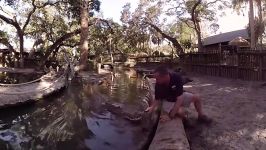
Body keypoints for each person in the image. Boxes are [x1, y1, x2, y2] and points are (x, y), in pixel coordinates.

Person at [146, 66, 211, 123]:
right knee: (180, 112)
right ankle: (185, 120)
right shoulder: (158, 84)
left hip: (179, 96)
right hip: (168, 101)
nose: (156, 81)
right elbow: (157, 99)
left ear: (165, 76)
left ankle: (201, 116)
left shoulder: (176, 77)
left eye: (157, 78)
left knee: (197, 97)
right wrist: (152, 107)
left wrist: (170, 116)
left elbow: (180, 98)